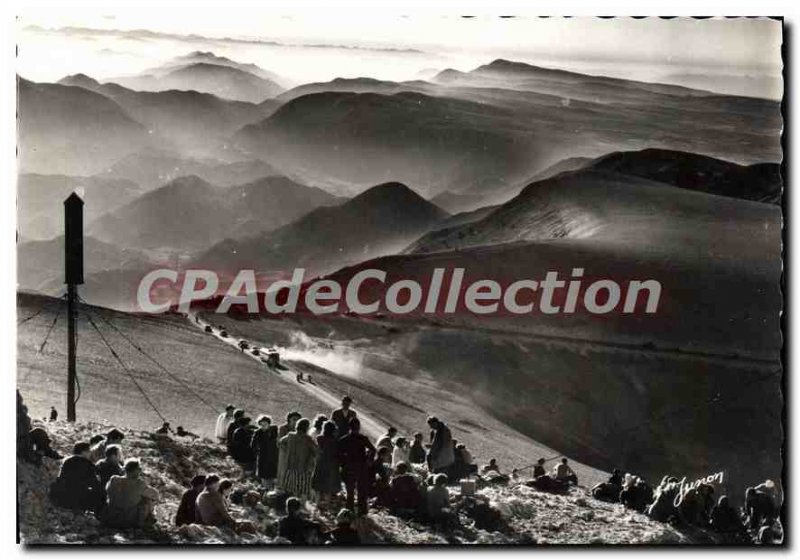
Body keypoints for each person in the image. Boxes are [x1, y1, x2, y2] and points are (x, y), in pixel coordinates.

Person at [103, 459, 159, 528]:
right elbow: (155, 495)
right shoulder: (139, 483)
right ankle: (148, 520)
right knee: (147, 500)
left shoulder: (114, 479)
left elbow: (107, 490)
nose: (140, 471)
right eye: (139, 469)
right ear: (136, 470)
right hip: (129, 520)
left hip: (112, 516)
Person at [337, 418, 376, 517]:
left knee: (350, 491)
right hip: (361, 467)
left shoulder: (344, 439)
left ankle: (349, 511)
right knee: (361, 491)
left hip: (348, 467)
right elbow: (373, 450)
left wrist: (343, 463)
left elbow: (338, 453)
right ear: (358, 427)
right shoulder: (362, 438)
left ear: (349, 427)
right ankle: (362, 512)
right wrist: (368, 460)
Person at [50, 442, 102, 512]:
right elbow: (94, 483)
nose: (90, 453)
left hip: (62, 498)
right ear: (84, 452)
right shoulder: (87, 464)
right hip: (77, 501)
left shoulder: (67, 461)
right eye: (89, 451)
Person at [280, 418, 318, 500]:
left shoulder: (290, 435)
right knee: (303, 488)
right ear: (307, 427)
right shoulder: (307, 438)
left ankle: (295, 503)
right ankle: (302, 505)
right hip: (303, 467)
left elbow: (281, 442)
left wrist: (287, 451)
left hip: (291, 466)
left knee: (293, 487)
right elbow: (315, 450)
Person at [312, 421, 341, 506]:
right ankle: (327, 505)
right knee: (329, 487)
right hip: (332, 466)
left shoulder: (319, 438)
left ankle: (317, 504)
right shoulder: (335, 441)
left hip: (321, 464)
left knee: (318, 486)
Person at [251, 416, 279, 488]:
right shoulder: (258, 432)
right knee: (264, 477)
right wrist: (258, 452)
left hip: (274, 456)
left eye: (265, 424)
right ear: (259, 424)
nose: (264, 426)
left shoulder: (274, 431)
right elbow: (253, 445)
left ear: (269, 423)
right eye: (262, 424)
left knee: (274, 476)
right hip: (263, 457)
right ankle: (265, 490)